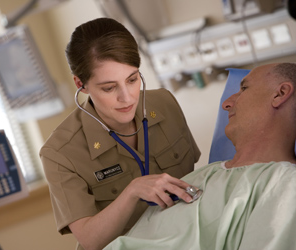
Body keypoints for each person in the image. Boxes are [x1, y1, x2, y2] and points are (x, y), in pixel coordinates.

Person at [39, 17, 200, 250]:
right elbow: (90, 239)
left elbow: (197, 177)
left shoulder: (165, 103)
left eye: (132, 79)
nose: (127, 97)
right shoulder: (60, 153)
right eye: (109, 87)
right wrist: (132, 191)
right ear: (80, 84)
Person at [104, 62, 296, 250]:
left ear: (280, 94)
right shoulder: (204, 174)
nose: (227, 104)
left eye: (244, 88)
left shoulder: (286, 185)